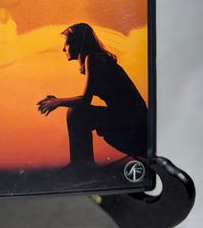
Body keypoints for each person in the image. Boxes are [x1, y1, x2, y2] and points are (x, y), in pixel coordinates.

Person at [37, 23, 147, 173]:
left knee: (76, 113)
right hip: (131, 117)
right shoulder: (96, 59)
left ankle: (81, 166)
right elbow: (85, 97)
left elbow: (84, 100)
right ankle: (81, 165)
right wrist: (58, 100)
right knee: (76, 111)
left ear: (78, 43)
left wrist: (58, 102)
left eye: (67, 44)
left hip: (133, 120)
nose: (63, 49)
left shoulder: (93, 59)